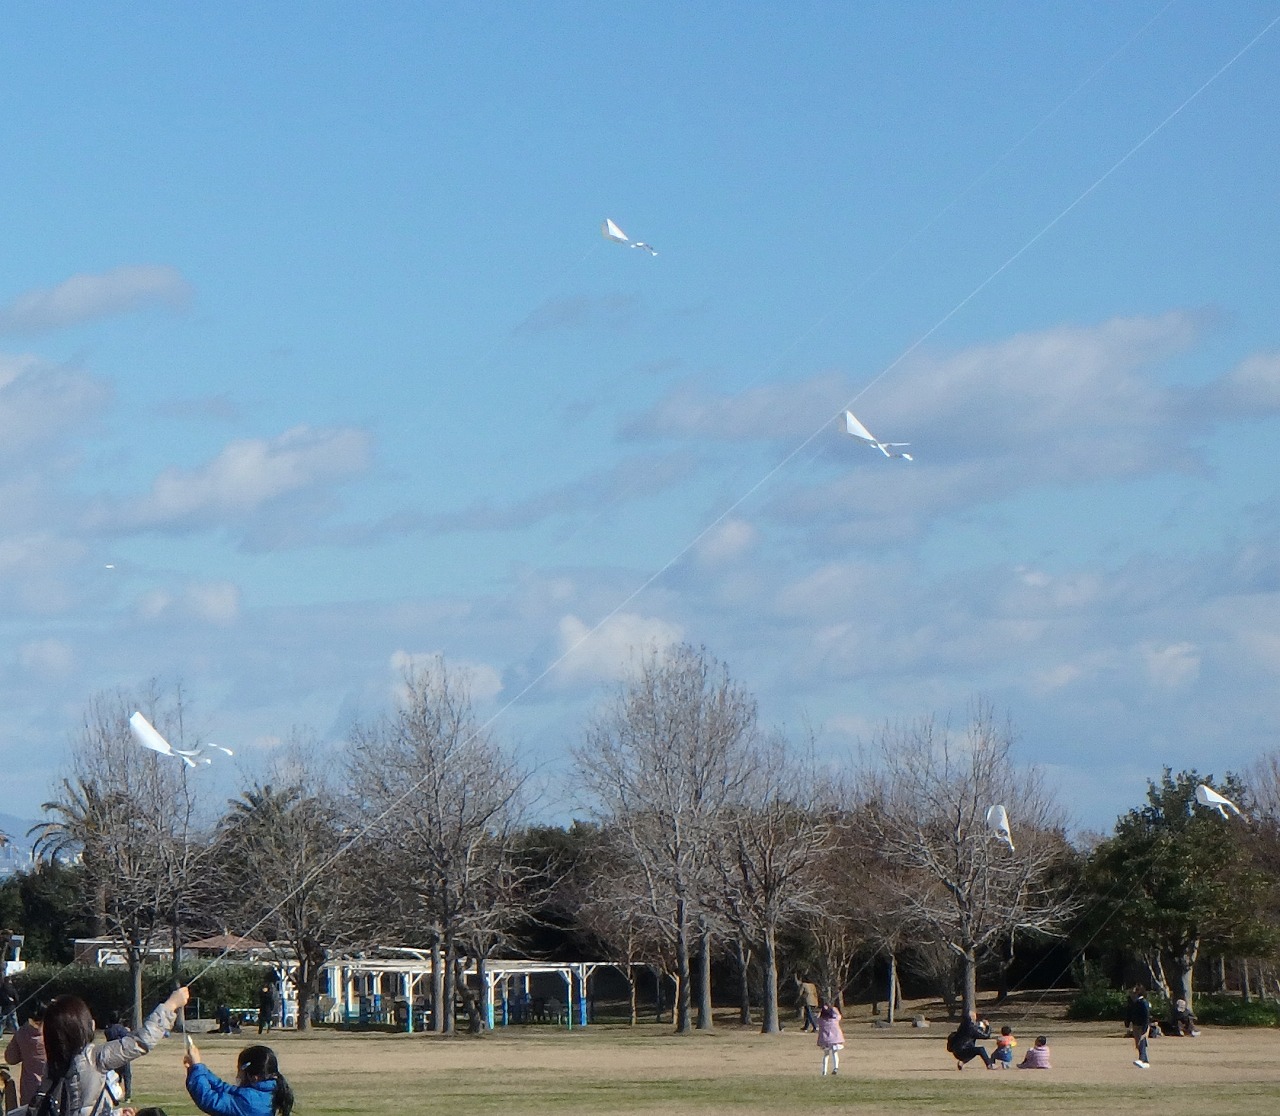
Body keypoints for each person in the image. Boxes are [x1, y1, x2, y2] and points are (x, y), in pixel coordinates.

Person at [29, 985, 189, 1116]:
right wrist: (171, 1005)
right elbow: (140, 1041)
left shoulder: (52, 1067)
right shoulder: (92, 1058)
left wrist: (115, 1114)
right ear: (80, 1027)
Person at [184, 1040, 294, 1116]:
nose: (237, 1076)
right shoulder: (266, 1092)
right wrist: (197, 1068)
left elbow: (208, 1100)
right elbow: (223, 1088)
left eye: (239, 1071)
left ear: (253, 1077)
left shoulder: (249, 1100)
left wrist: (197, 1066)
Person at [6, 1000, 48, 1106]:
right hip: (51, 1087)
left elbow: (10, 1058)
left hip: (29, 1090)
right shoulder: (54, 1033)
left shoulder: (22, 1033)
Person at [101, 1015, 130, 1102]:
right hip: (122, 1054)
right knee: (127, 1075)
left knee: (115, 1077)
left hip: (112, 1055)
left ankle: (115, 1094)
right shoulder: (120, 1028)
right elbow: (127, 1037)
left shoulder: (108, 1030)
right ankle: (127, 1096)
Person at [1125, 985, 1152, 1069]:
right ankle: (1144, 1060)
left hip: (1142, 1025)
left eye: (1133, 992)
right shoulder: (1134, 1002)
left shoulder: (1143, 1002)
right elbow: (1130, 1013)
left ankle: (1142, 1059)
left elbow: (1146, 1016)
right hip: (1136, 1025)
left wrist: (1145, 1028)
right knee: (1138, 1043)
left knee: (1142, 1041)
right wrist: (1127, 1022)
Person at [816, 1002, 844, 1076]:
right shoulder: (835, 1020)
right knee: (835, 1053)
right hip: (835, 1040)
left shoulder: (821, 1021)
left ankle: (824, 1071)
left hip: (825, 1040)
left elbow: (817, 1018)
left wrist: (821, 1011)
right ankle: (836, 1067)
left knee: (826, 1055)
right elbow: (839, 1015)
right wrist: (834, 1009)